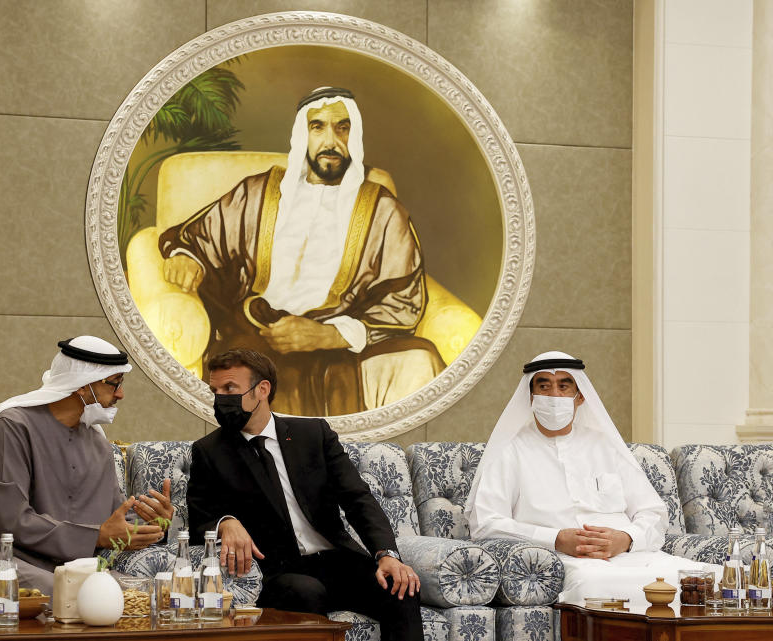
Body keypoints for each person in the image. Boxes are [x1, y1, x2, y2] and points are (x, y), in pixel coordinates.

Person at [160, 86, 443, 416]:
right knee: (247, 369)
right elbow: (200, 237)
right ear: (302, 135)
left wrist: (328, 336)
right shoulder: (260, 192)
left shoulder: (382, 210)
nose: (331, 141)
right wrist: (186, 258)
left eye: (343, 127)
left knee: (420, 360)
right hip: (262, 329)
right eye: (317, 126)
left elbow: (402, 299)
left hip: (344, 339)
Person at [187, 348, 423, 641]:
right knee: (306, 592)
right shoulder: (209, 451)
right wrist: (225, 522)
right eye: (216, 390)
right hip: (277, 572)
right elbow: (199, 520)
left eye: (230, 388)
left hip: (336, 560)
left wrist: (386, 555)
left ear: (262, 390)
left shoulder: (313, 434)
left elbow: (357, 498)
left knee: (401, 585)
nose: (220, 398)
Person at [466, 350, 717, 606]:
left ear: (580, 396)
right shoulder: (509, 451)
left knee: (711, 579)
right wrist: (555, 539)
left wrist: (627, 539)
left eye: (564, 386)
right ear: (530, 397)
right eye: (544, 386)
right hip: (562, 561)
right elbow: (486, 524)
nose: (554, 395)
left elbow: (653, 513)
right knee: (596, 586)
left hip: (632, 557)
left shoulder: (605, 446)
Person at [0, 336, 175, 594]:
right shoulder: (11, 428)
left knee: (147, 595)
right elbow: (14, 521)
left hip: (68, 568)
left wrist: (155, 525)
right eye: (114, 384)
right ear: (82, 386)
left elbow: (113, 523)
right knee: (71, 594)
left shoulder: (99, 444)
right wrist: (97, 536)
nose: (120, 394)